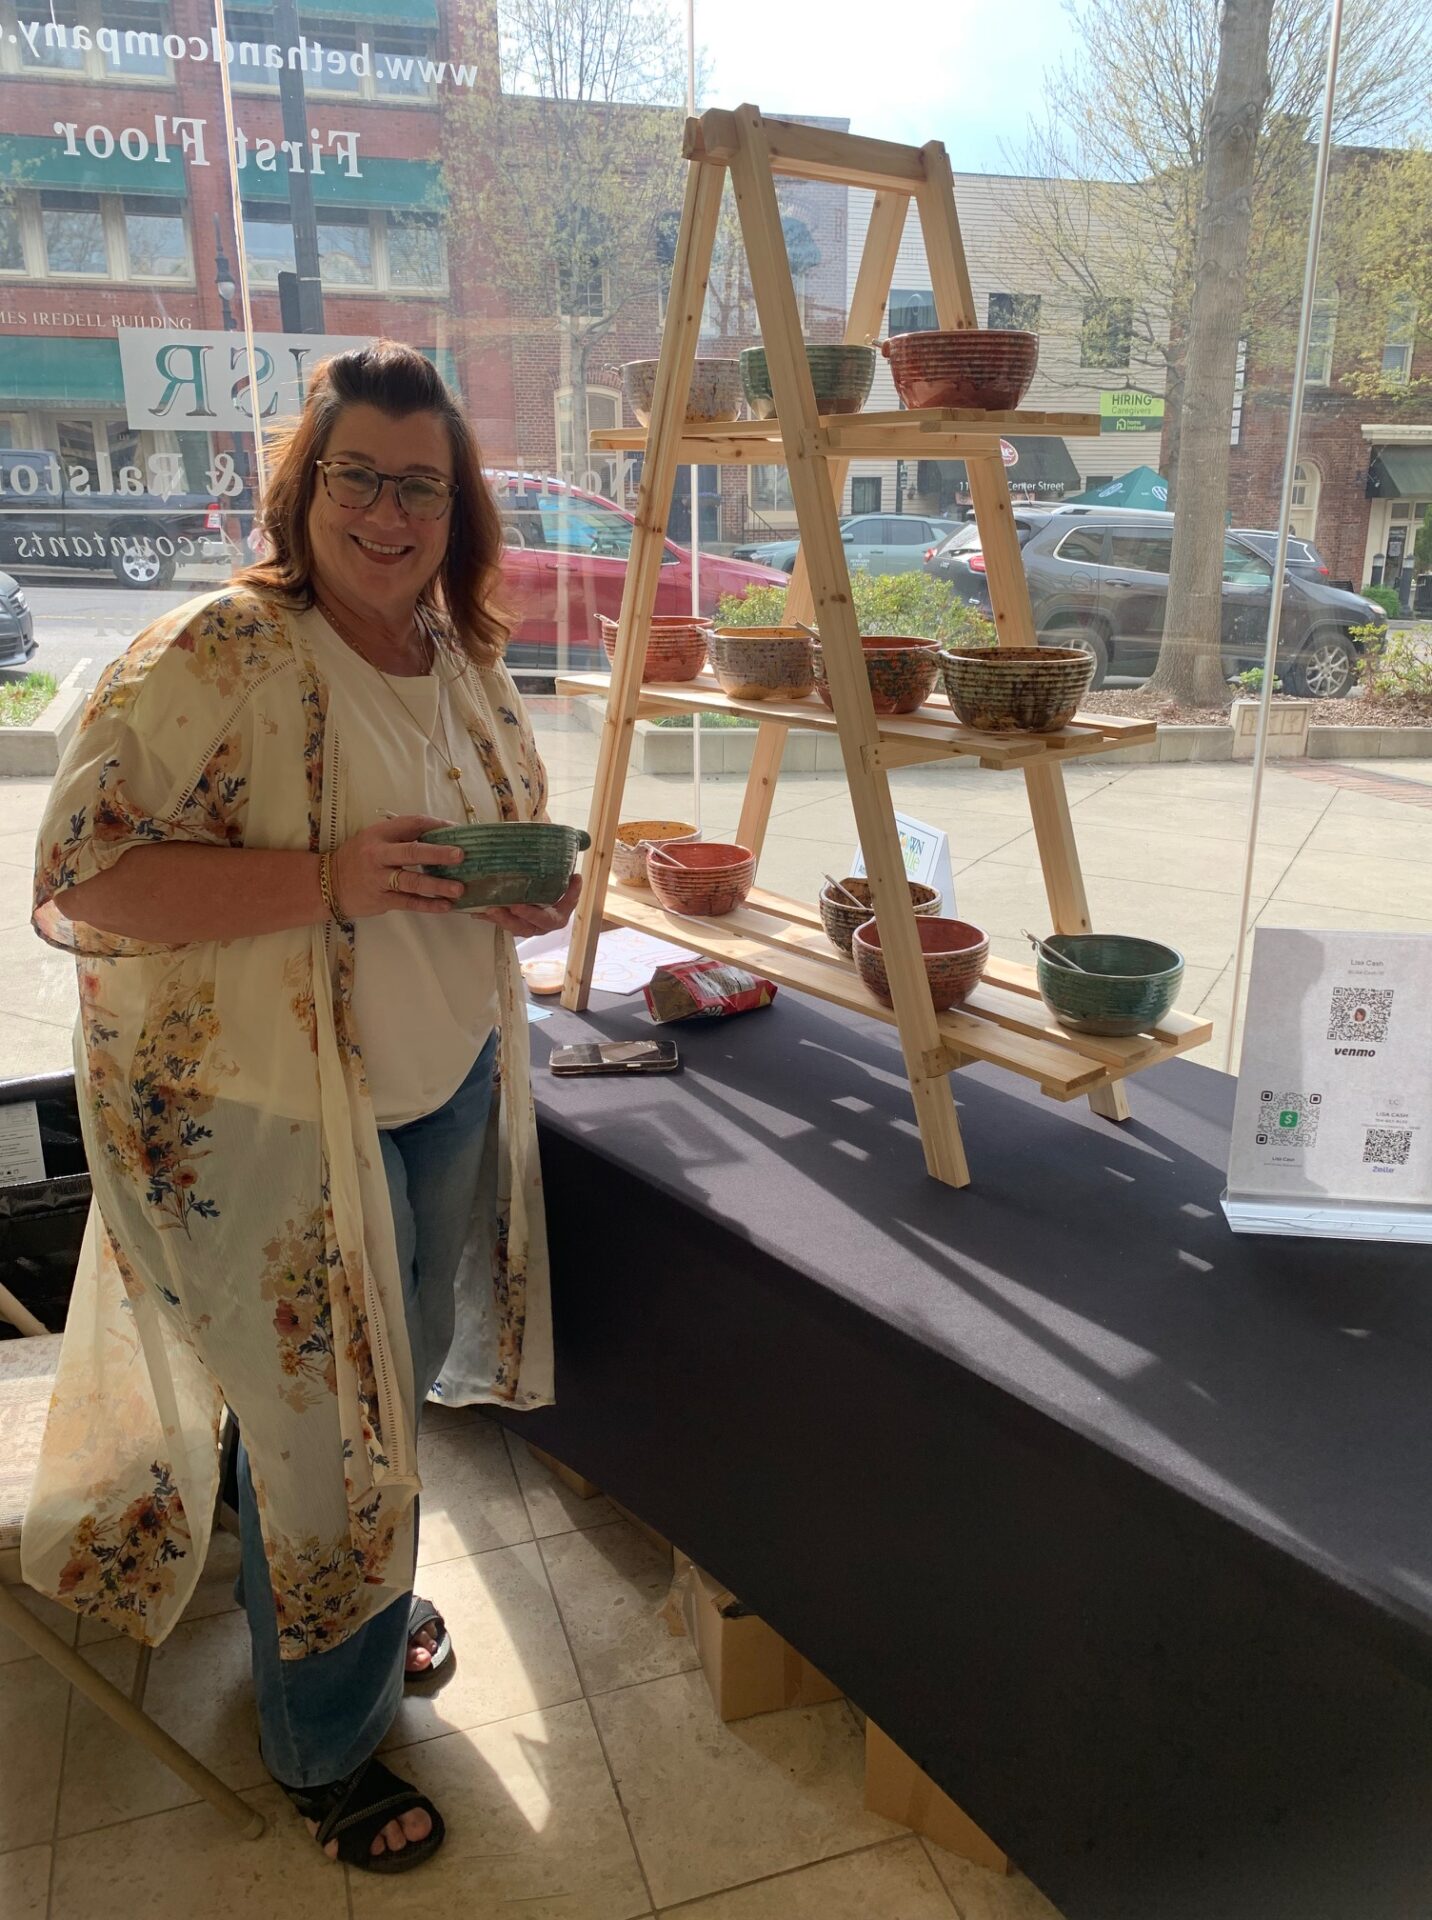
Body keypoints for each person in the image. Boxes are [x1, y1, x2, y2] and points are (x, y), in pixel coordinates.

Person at [24, 341, 580, 1872]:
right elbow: (85, 880)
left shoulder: (454, 652)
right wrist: (328, 880)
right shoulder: (215, 654)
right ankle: (325, 1745)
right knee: (326, 1433)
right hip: (263, 1113)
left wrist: (521, 897)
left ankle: (343, 1605)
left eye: (423, 487)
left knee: (364, 1411)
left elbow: (474, 849)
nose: (390, 515)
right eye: (360, 479)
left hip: (439, 1086)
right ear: (304, 487)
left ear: (458, 507)